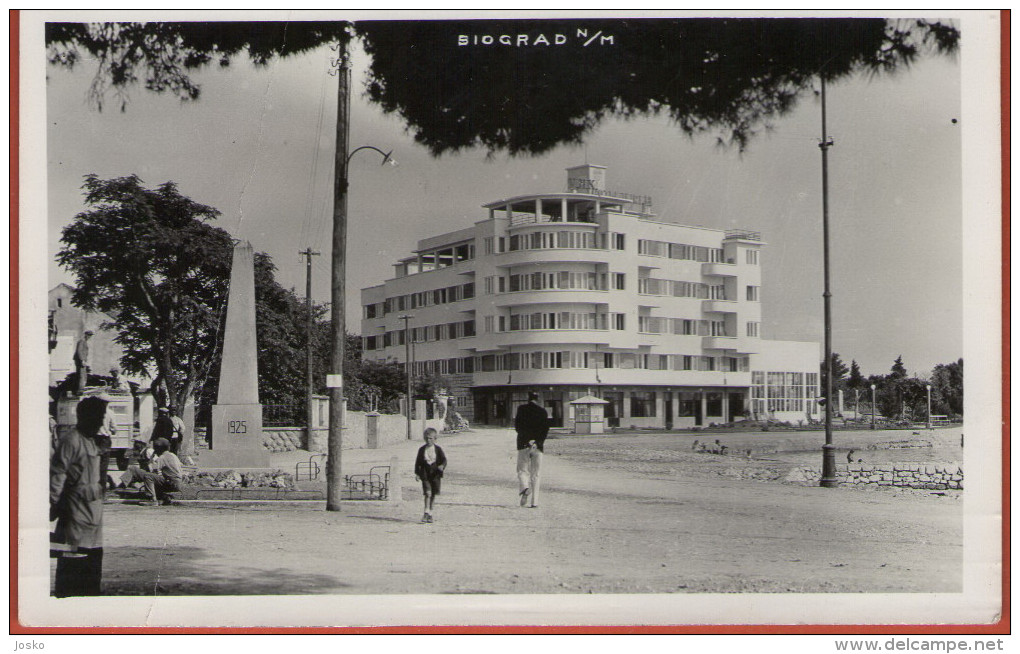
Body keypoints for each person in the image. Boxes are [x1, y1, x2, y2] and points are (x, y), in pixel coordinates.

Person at [50, 394, 109, 597]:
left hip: (93, 509)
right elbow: (57, 476)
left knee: (93, 557)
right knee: (74, 556)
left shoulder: (92, 441)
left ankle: (90, 596)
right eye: (99, 417)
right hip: (75, 509)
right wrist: (53, 505)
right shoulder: (71, 440)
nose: (101, 421)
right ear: (85, 417)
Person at [120, 438, 182, 505]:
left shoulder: (162, 457)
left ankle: (152, 500)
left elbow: (152, 471)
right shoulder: (173, 455)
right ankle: (164, 497)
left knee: (148, 476)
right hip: (176, 483)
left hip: (171, 483)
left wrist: (152, 457)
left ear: (159, 449)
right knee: (137, 471)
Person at [514, 392, 549, 508]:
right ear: (538, 399)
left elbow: (518, 427)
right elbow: (545, 430)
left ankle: (525, 488)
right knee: (536, 474)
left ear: (528, 398)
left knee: (522, 470)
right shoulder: (543, 412)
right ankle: (535, 502)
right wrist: (537, 442)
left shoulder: (521, 409)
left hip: (523, 445)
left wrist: (527, 441)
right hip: (538, 447)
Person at [414, 427, 447, 523]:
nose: (428, 440)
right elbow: (418, 462)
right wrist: (417, 473)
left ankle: (431, 514)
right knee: (427, 493)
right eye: (427, 438)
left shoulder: (438, 449)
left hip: (435, 474)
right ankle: (425, 512)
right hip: (425, 474)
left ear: (435, 439)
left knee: (433, 494)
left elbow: (444, 460)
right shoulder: (421, 450)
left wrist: (442, 466)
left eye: (431, 438)